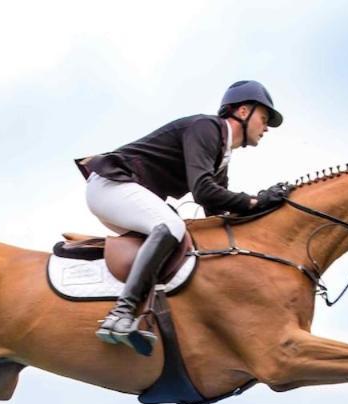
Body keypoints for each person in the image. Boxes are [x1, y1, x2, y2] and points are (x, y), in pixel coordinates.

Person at [77, 80, 289, 353]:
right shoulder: (207, 128)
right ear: (244, 111)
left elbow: (218, 213)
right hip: (111, 185)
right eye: (264, 117)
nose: (267, 127)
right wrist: (256, 200)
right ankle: (121, 314)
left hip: (121, 193)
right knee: (170, 225)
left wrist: (264, 209)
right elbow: (204, 191)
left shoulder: (221, 156)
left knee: (184, 240)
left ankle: (147, 315)